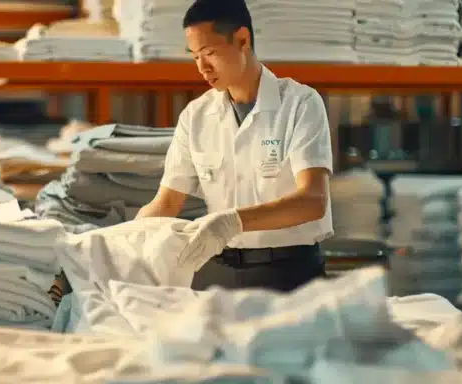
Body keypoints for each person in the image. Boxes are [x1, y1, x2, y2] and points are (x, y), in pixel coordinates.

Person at [136, 0, 335, 292]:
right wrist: (114, 240)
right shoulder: (196, 116)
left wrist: (231, 222)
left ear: (243, 40)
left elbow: (312, 200)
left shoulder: (300, 104)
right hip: (218, 276)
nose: (202, 67)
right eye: (194, 57)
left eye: (210, 53)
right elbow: (166, 204)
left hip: (290, 276)